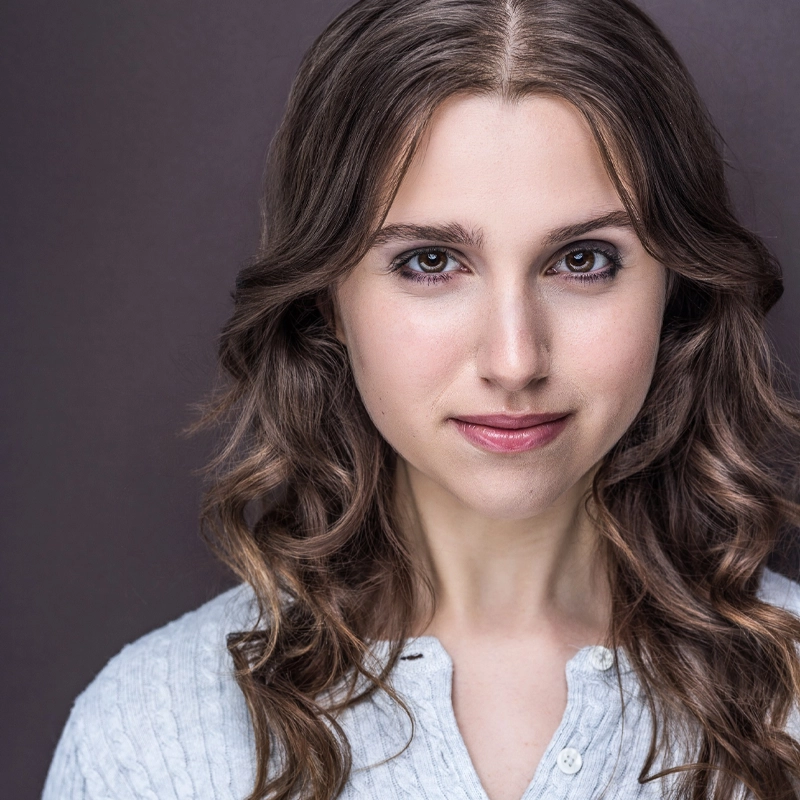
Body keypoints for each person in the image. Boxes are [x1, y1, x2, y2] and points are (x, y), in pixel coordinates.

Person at [42, 0, 800, 798]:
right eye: (432, 262)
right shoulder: (149, 738)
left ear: (674, 285)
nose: (514, 361)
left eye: (582, 260)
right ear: (328, 296)